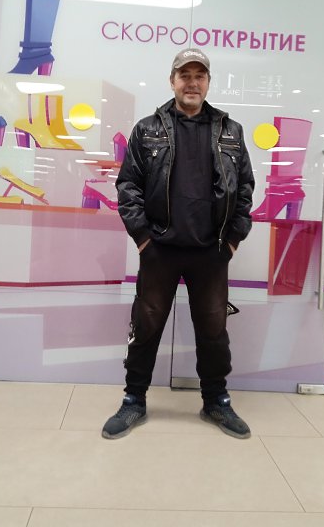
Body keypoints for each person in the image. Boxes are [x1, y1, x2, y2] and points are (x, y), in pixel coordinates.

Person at [102, 48, 254, 440]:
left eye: (199, 75)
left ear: (208, 82)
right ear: (172, 81)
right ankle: (134, 399)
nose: (192, 82)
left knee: (214, 330)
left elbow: (245, 190)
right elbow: (128, 186)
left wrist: (232, 241)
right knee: (146, 326)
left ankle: (216, 401)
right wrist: (143, 239)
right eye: (184, 75)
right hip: (160, 250)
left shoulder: (231, 131)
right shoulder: (147, 129)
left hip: (211, 251)